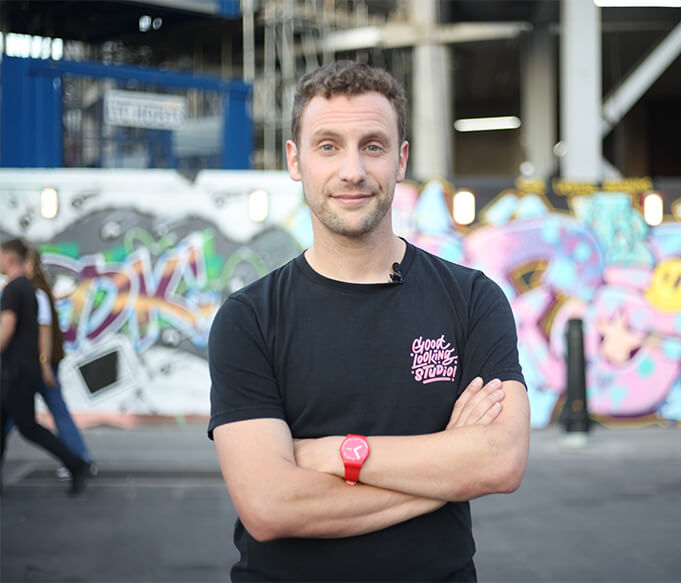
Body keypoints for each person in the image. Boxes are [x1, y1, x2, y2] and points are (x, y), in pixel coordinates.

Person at [208, 61, 530, 582]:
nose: (352, 170)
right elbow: (269, 506)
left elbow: (500, 461)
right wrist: (447, 470)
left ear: (401, 160)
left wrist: (338, 454)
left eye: (373, 146)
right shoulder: (249, 319)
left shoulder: (472, 299)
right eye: (328, 145)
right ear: (295, 160)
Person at [0, 238, 89, 494]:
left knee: (29, 427)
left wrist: (44, 364)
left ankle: (75, 464)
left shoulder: (14, 290)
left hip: (17, 371)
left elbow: (8, 329)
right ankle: (76, 462)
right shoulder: (29, 289)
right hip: (21, 369)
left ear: (9, 258)